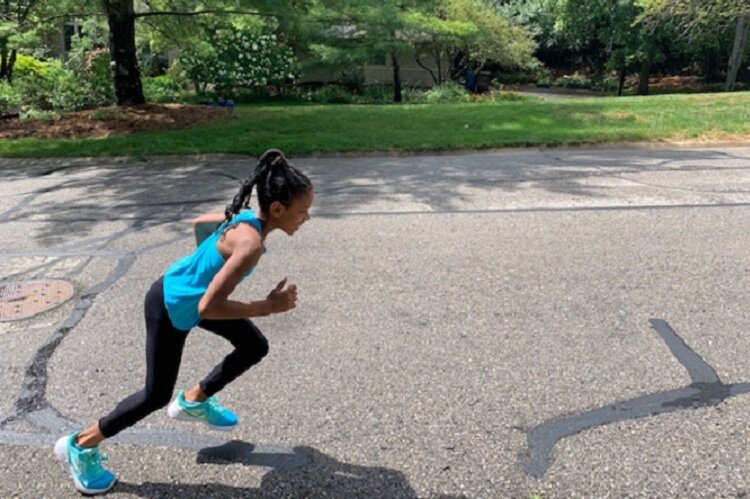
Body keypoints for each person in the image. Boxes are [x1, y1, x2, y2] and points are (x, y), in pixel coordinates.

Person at [54, 149, 313, 495]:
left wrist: (200, 270)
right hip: (170, 305)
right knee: (155, 395)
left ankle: (194, 400)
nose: (306, 217)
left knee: (254, 346)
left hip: (185, 296)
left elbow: (203, 226)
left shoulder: (248, 220)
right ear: (278, 210)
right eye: (303, 211)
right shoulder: (250, 244)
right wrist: (268, 306)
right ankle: (80, 444)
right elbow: (208, 307)